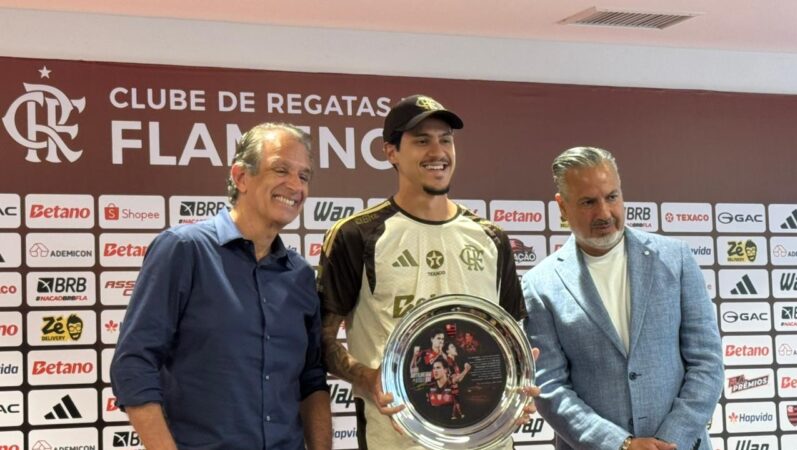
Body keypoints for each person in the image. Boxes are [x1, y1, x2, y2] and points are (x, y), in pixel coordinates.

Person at [316, 94, 536, 449]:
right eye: (421, 141)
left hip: (486, 441)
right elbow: (321, 339)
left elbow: (508, 338)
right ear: (391, 152)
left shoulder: (491, 238)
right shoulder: (357, 235)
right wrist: (369, 378)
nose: (438, 152)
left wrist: (516, 387)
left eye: (445, 140)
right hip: (394, 440)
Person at [110, 123, 332, 450]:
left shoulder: (299, 275)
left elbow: (311, 380)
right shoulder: (183, 250)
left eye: (304, 176)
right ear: (241, 177)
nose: (296, 185)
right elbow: (133, 365)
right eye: (281, 170)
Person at [522, 146, 723, 450]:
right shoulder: (539, 284)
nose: (604, 213)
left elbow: (707, 362)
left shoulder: (676, 259)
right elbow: (550, 387)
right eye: (588, 202)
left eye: (612, 197)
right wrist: (621, 445)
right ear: (562, 207)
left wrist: (670, 439)